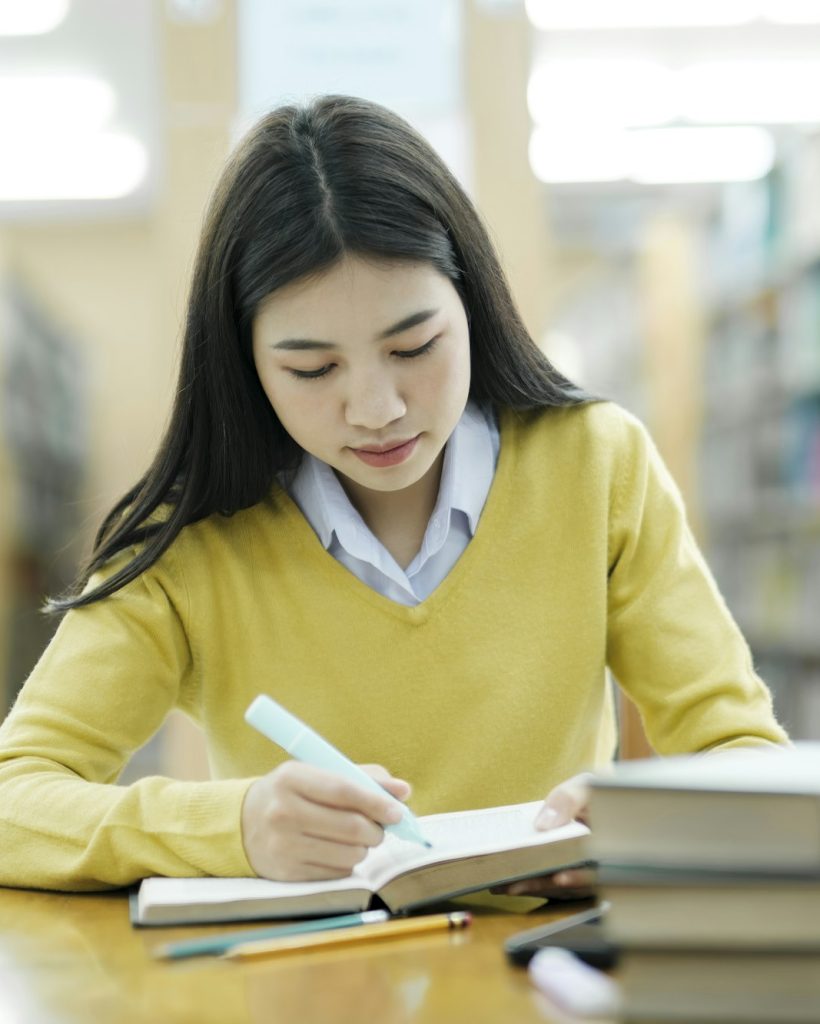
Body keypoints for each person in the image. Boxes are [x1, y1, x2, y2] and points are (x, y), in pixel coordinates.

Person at [0, 95, 787, 898]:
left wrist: (648, 814)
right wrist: (231, 829)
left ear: (470, 304)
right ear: (246, 364)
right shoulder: (193, 541)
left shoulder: (597, 463)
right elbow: (12, 802)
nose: (376, 409)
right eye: (313, 369)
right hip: (309, 992)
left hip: (544, 980)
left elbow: (745, 755)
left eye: (413, 347)